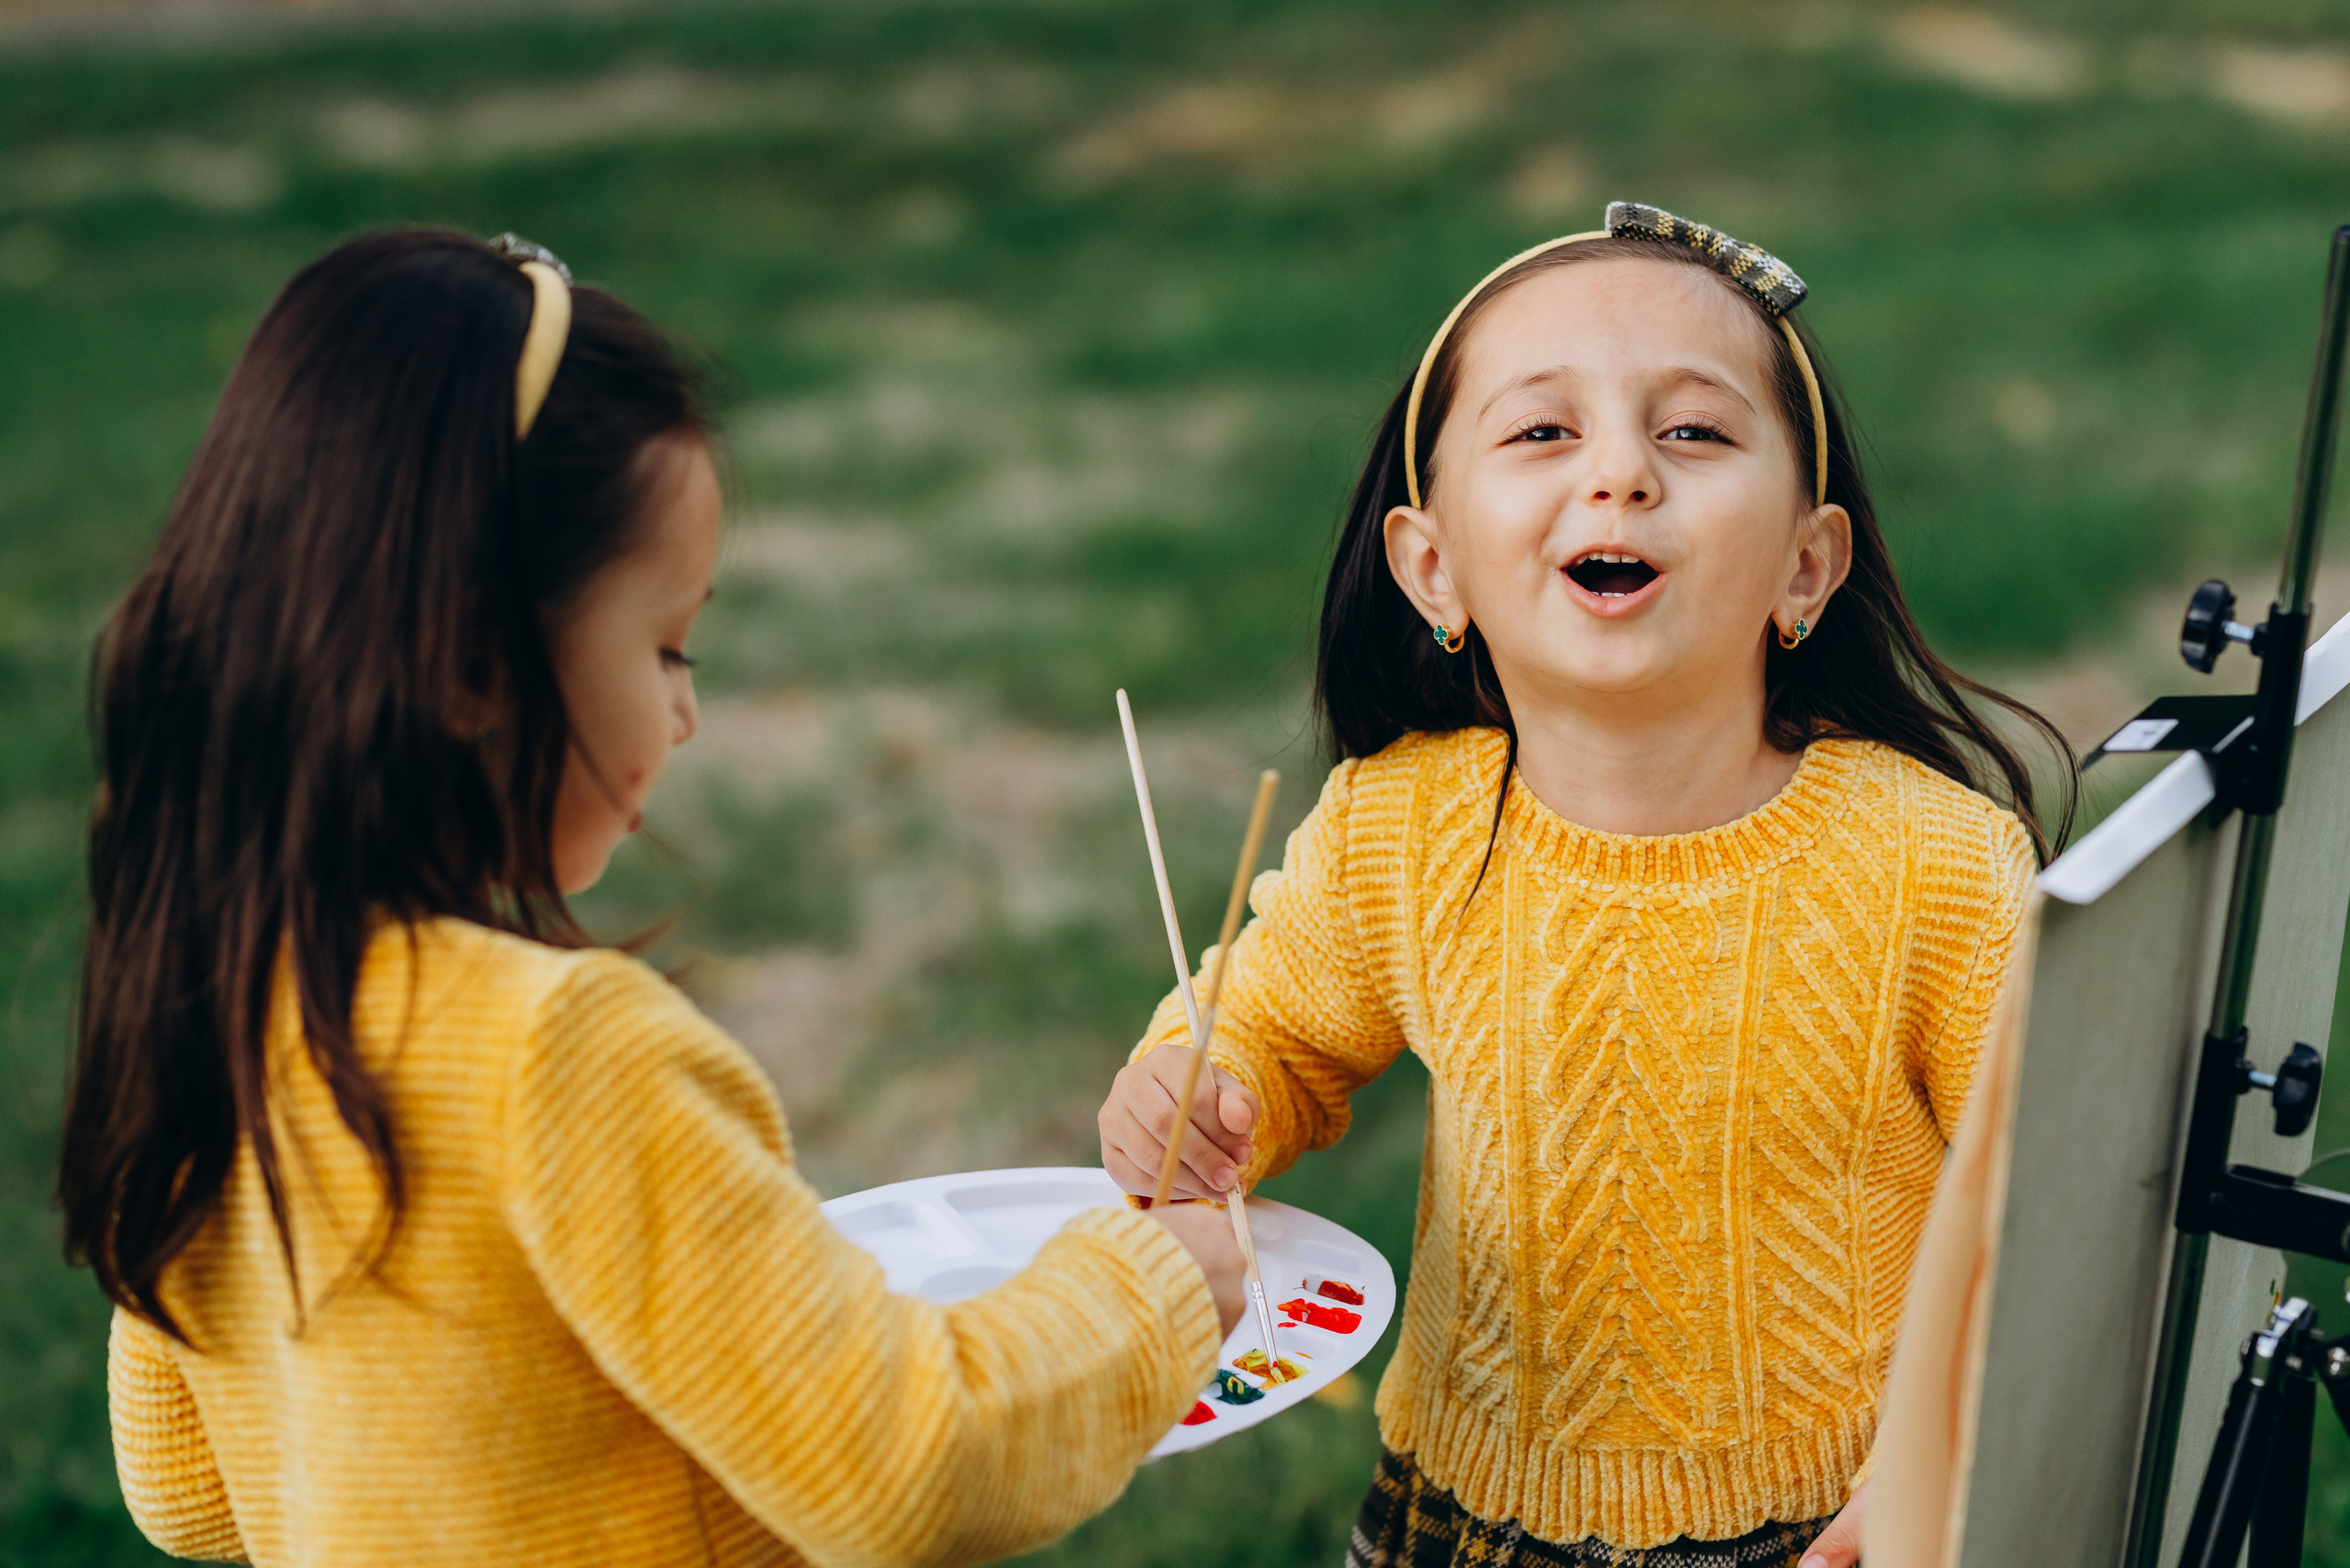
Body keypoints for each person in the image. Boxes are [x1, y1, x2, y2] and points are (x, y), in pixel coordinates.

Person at [59, 228, 1245, 1568]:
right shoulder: (560, 1059)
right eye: (666, 643)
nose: (685, 711)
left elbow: (188, 1489)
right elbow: (910, 1460)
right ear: (468, 663)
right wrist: (1148, 1296)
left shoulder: (222, 1009)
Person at [1095, 204, 2071, 1568]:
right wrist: (1192, 1097)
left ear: (1808, 565)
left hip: (1838, 1525)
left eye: (1694, 431)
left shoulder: (1936, 862)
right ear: (1433, 568)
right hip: (1464, 1512)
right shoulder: (1405, 822)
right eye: (1543, 430)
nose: (1620, 472)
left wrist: (1939, 1464)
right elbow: (1272, 1031)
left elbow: (2052, 1207)